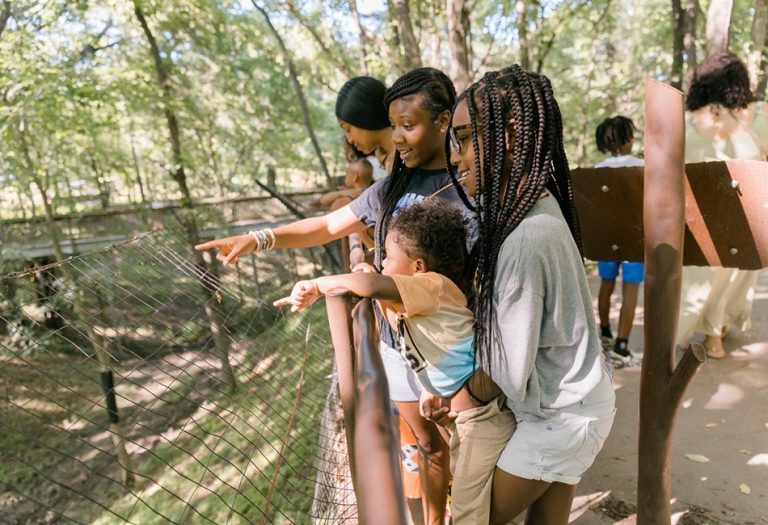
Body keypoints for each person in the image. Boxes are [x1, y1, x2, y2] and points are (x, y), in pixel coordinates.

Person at [197, 68, 468, 524]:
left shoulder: (466, 188)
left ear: (442, 124)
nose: (398, 139)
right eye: (394, 127)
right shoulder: (392, 185)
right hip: (396, 340)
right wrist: (259, 237)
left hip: (448, 348)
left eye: (409, 126)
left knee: (457, 447)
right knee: (423, 444)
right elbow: (327, 226)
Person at [274, 200, 515, 524]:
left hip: (481, 413)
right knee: (468, 491)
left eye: (386, 256)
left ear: (417, 266)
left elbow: (374, 286)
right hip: (459, 411)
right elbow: (383, 296)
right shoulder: (417, 297)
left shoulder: (433, 286)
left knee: (468, 509)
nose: (382, 262)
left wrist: (318, 285)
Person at [446, 64, 616, 524]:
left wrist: (458, 397)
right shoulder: (533, 207)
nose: (457, 157)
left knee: (473, 516)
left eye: (464, 138)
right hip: (570, 404)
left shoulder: (525, 237)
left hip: (562, 417)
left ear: (508, 135)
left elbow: (506, 368)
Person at [677, 52, 768, 359]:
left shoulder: (690, 122)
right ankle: (715, 331)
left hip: (707, 217)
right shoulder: (757, 115)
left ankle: (716, 327)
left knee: (722, 272)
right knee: (728, 271)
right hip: (743, 219)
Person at [593, 116, 644, 367]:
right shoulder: (639, 165)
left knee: (606, 284)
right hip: (633, 238)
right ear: (627, 140)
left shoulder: (596, 168)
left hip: (606, 236)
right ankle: (622, 347)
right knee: (630, 289)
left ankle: (605, 334)